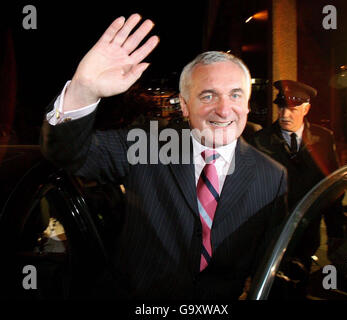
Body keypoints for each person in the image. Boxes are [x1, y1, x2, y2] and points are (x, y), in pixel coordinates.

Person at [40, 14, 288, 299]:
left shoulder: (272, 175)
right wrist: (82, 90)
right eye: (208, 96)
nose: (223, 109)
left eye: (235, 95)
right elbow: (67, 154)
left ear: (246, 104)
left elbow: (268, 262)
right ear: (184, 105)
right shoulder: (147, 145)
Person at [250, 80, 344, 296]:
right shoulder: (259, 141)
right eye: (281, 107)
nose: (285, 115)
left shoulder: (323, 139)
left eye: (292, 109)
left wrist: (336, 235)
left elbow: (332, 190)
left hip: (305, 236)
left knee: (299, 290)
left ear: (306, 109)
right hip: (270, 241)